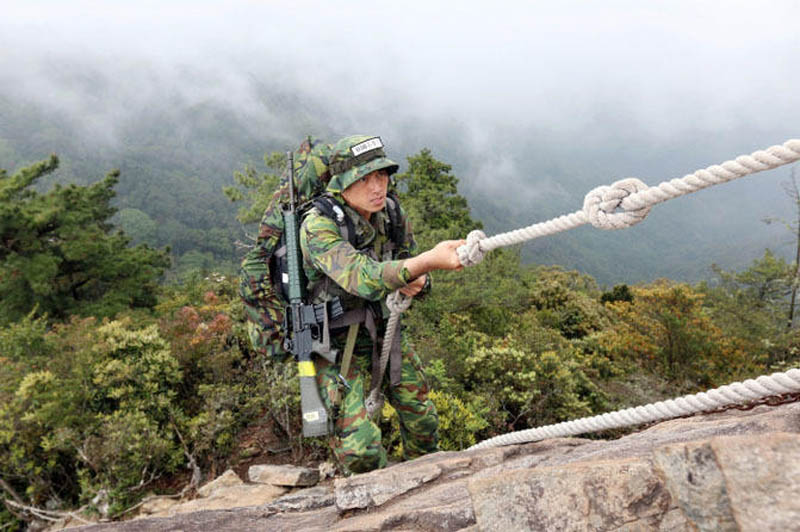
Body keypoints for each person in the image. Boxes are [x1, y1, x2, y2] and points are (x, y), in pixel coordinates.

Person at [300, 134, 464, 474]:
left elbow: (408, 267)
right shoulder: (318, 225)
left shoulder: (390, 214)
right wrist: (426, 263)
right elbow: (362, 277)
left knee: (422, 422)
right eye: (365, 178)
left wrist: (420, 282)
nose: (377, 187)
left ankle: (429, 490)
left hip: (382, 330)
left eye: (382, 176)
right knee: (360, 450)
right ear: (342, 183)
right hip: (334, 344)